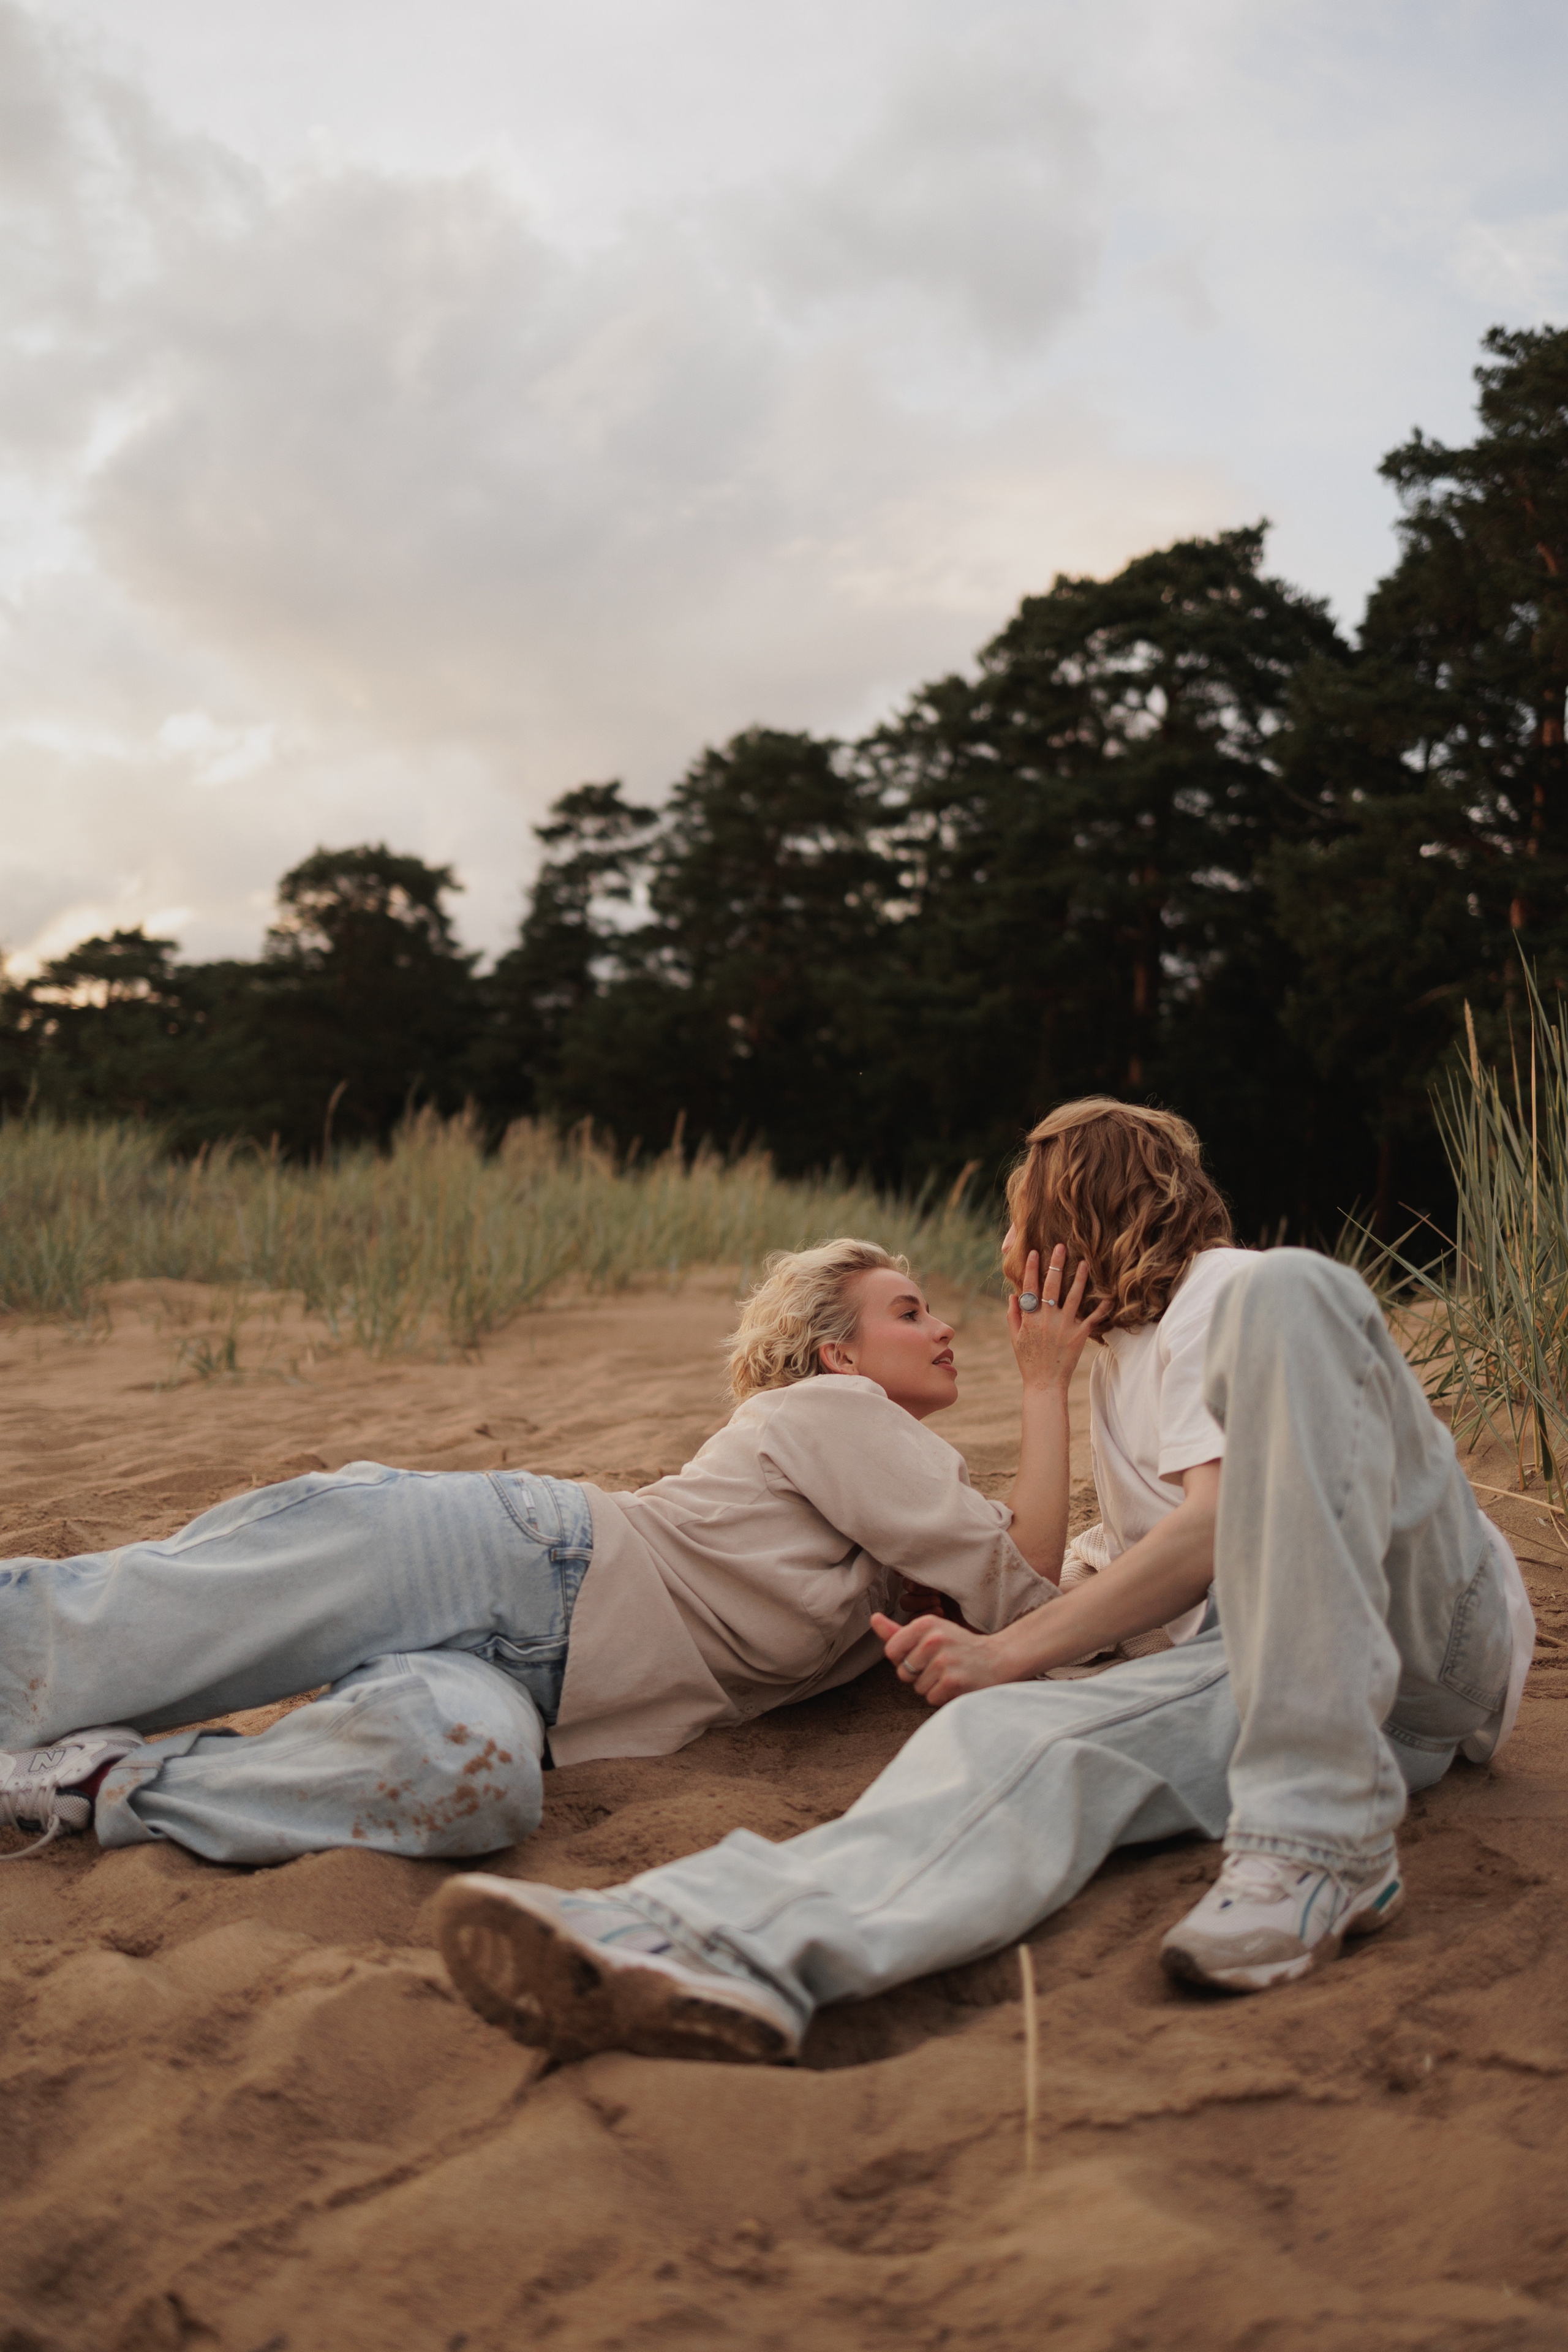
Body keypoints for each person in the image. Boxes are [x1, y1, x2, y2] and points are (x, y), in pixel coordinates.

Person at [435, 1099, 1536, 2061]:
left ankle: (1319, 1844)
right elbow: (1132, 1564)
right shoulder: (1120, 1370)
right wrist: (1028, 1631)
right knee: (1003, 1742)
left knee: (1295, 1288)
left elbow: (1213, 1529)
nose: (1003, 1252)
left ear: (1069, 1229)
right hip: (1323, 1694)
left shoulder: (1223, 1293)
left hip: (1425, 1619)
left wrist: (1011, 1650)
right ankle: (716, 1942)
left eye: (1015, 1222)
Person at [0, 1238, 1080, 1868]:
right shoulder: (837, 1410)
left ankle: (99, 1783)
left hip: (542, 1689)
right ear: (840, 1352)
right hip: (509, 1557)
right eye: (910, 1310)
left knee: (472, 1790)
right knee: (92, 1634)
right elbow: (1024, 1586)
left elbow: (1016, 1592)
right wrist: (1045, 1383)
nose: (944, 1329)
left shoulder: (904, 1486)